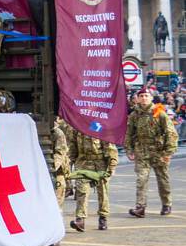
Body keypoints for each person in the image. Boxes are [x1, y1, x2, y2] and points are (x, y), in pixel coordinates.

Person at [126, 86, 175, 217]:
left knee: (163, 179)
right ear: (137, 99)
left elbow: (171, 133)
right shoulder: (134, 115)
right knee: (141, 179)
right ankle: (140, 207)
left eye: (146, 96)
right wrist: (129, 150)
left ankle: (166, 204)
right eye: (141, 96)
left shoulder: (159, 113)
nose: (144, 98)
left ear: (151, 98)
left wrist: (168, 153)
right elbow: (129, 134)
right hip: (141, 151)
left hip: (159, 152)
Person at [68, 128, 118, 232]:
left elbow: (110, 148)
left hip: (100, 163)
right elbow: (72, 146)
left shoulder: (100, 125)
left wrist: (112, 166)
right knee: (81, 191)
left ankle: (103, 218)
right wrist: (69, 163)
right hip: (83, 162)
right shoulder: (77, 127)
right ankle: (80, 219)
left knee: (103, 192)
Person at [51, 117, 73, 207]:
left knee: (57, 201)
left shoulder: (57, 133)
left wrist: (51, 168)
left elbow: (60, 153)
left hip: (57, 171)